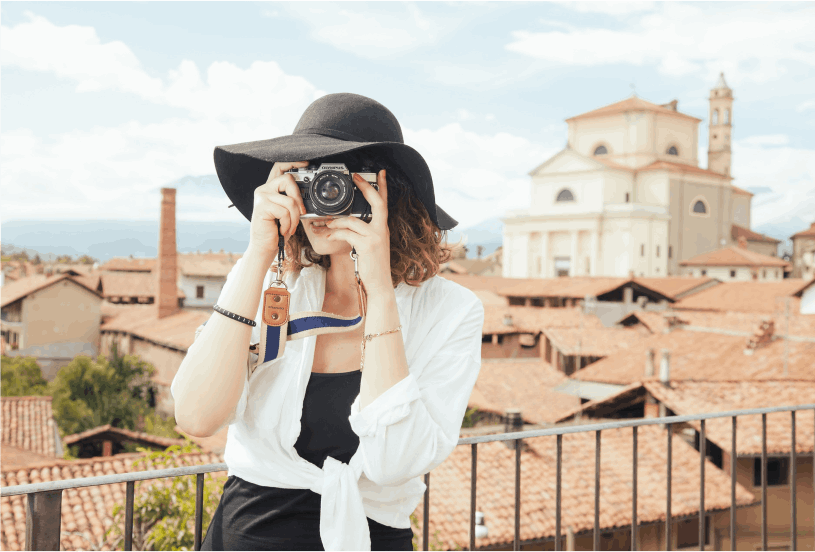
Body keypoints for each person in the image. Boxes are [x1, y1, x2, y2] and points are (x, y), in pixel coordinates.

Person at [171, 93, 484, 552]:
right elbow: (197, 416)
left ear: (387, 191)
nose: (322, 194)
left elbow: (393, 462)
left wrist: (378, 290)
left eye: (337, 178)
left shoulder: (451, 311)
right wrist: (259, 252)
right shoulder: (268, 283)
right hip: (247, 534)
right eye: (306, 177)